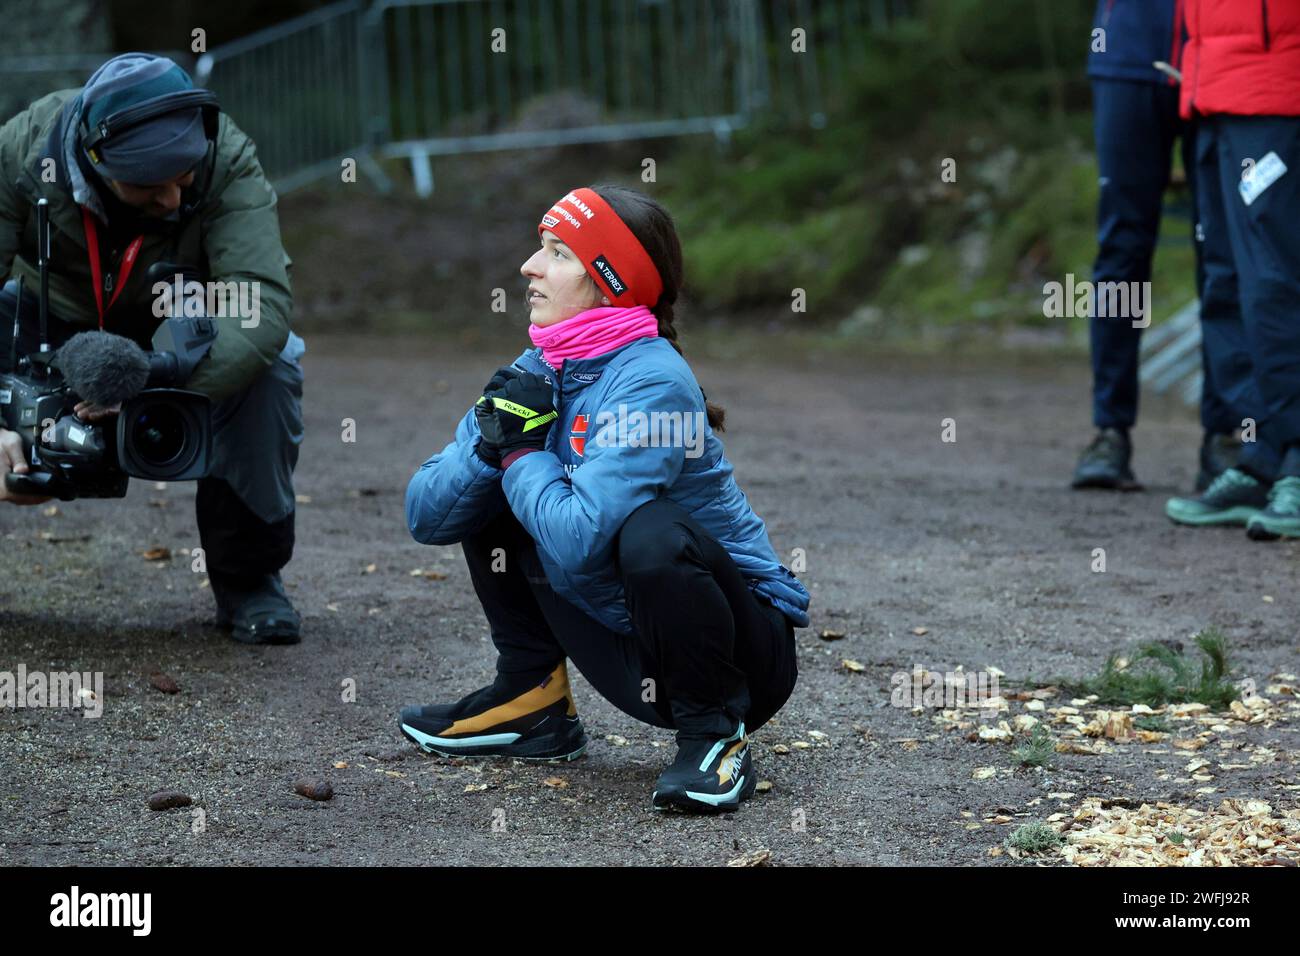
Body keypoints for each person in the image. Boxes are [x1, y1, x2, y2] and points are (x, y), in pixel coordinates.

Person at [400, 185, 810, 813]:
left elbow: (581, 539)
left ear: (608, 284)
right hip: (627, 645)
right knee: (486, 489)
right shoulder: (538, 366)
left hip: (738, 659)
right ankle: (531, 701)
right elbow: (425, 517)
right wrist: (489, 452)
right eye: (541, 248)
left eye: (558, 253)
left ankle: (713, 736)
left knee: (652, 530)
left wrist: (518, 453)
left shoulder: (651, 381)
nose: (530, 267)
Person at [0, 53, 306, 640]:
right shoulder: (21, 152)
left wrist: (160, 380)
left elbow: (259, 305)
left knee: (273, 367)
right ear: (94, 163)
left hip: (173, 330)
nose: (170, 199)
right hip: (50, 315)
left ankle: (249, 582)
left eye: (183, 176)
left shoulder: (225, 157)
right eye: (145, 184)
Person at [1073, 0, 1242, 491]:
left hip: (1220, 59)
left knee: (1223, 250)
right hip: (1127, 53)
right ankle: (1109, 431)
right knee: (1122, 248)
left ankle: (1225, 435)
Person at [1164, 0, 1300, 540]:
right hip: (1208, 87)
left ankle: (1296, 457)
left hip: (1275, 85)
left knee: (1274, 282)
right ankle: (1260, 455)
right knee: (1226, 282)